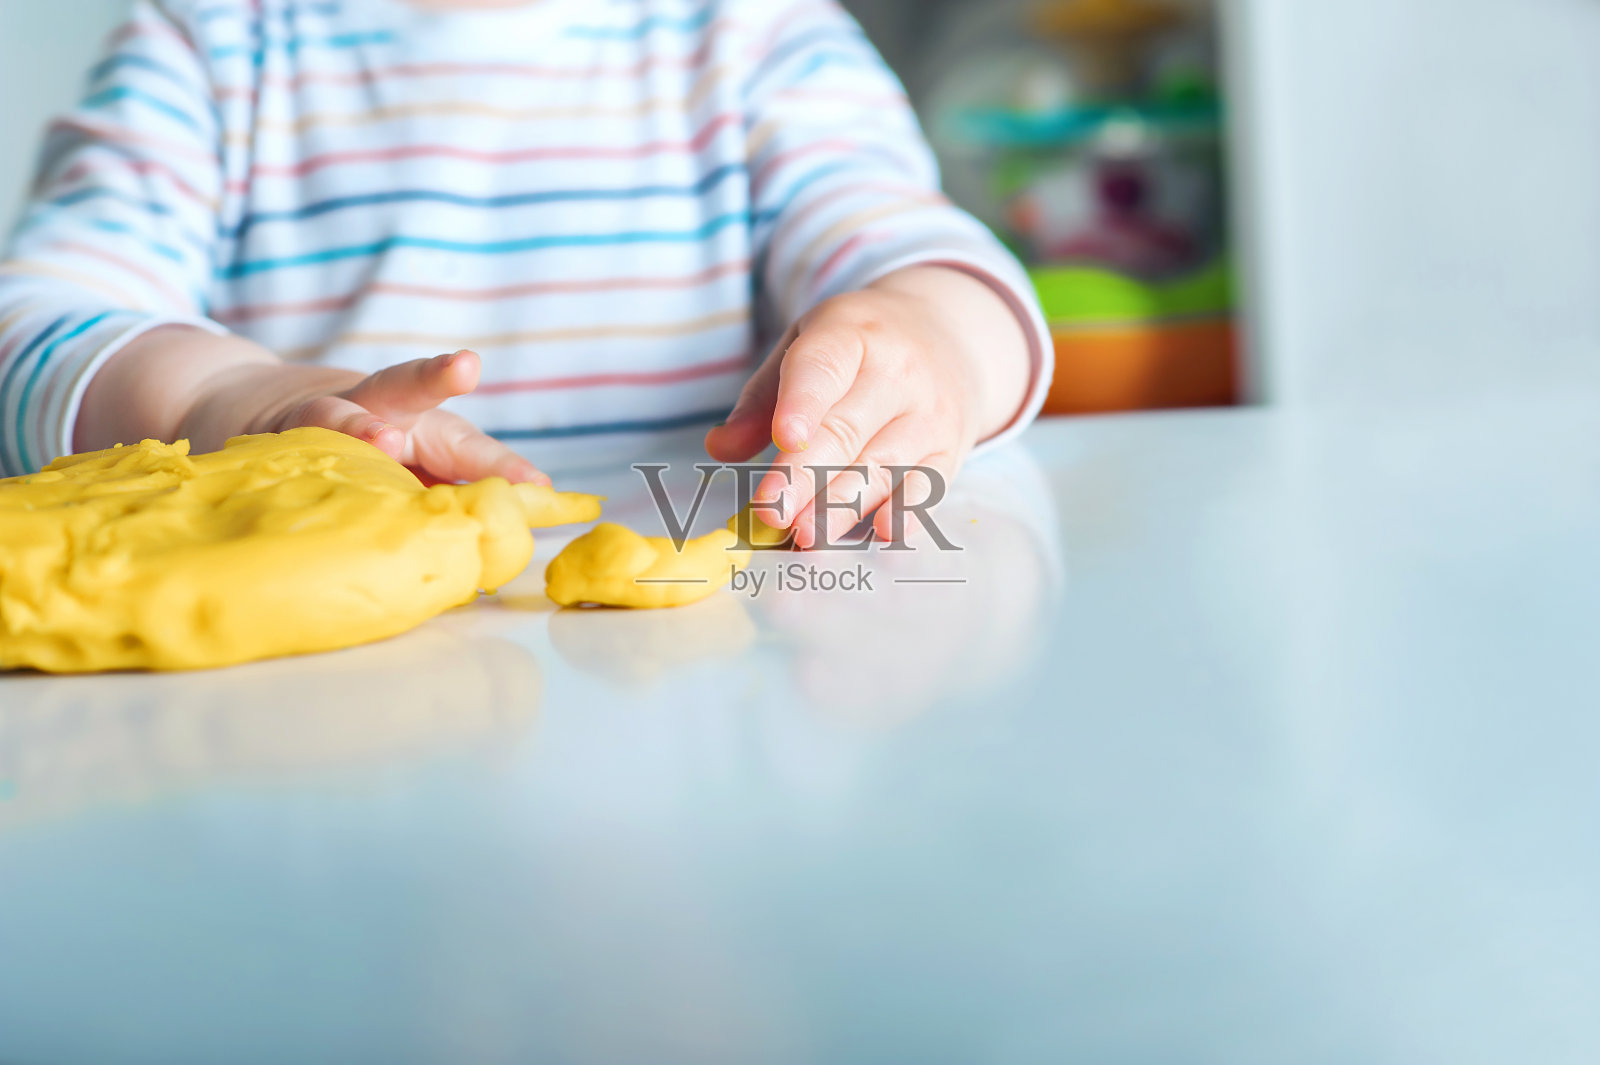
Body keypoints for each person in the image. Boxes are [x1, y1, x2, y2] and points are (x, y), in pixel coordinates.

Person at [0, 0, 1050, 547]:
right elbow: (37, 325)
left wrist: (931, 344)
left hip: (718, 662)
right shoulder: (208, 44)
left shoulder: (760, 38)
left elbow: (919, 256)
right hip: (320, 703)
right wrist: (233, 399)